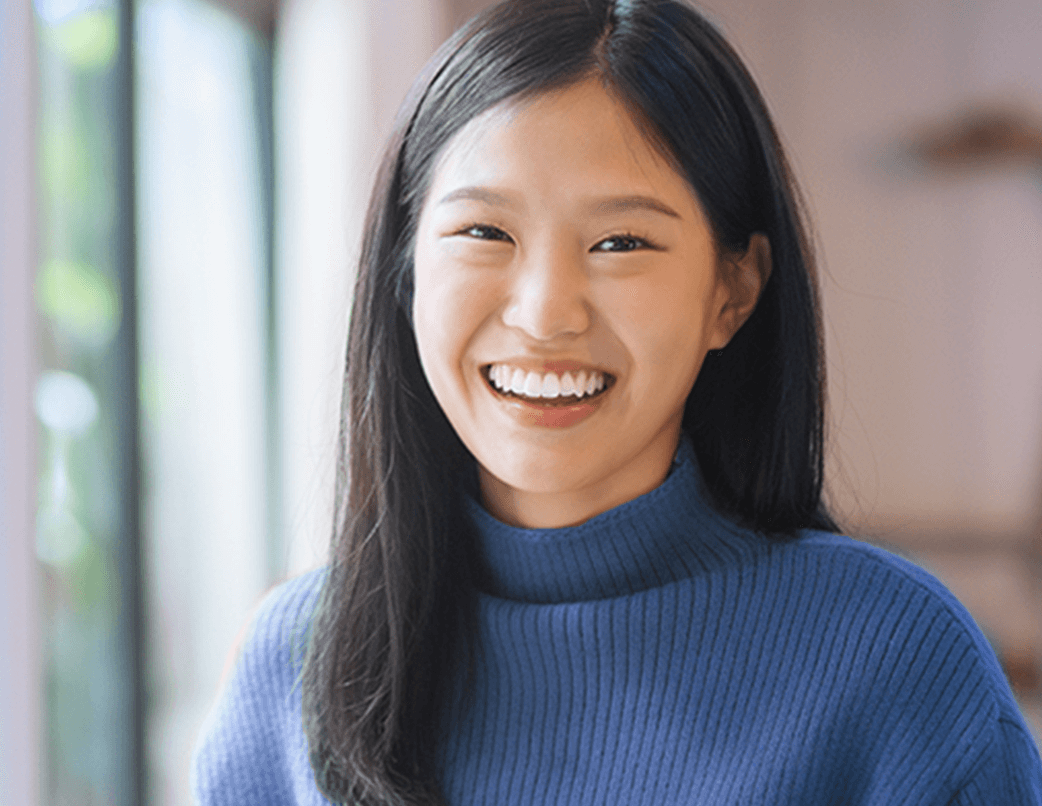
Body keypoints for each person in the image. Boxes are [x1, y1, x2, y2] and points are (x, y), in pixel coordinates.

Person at [191, 0, 1042, 804]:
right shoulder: (295, 664)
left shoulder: (894, 658)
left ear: (732, 291)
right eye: (484, 232)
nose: (545, 313)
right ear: (406, 269)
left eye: (621, 241)